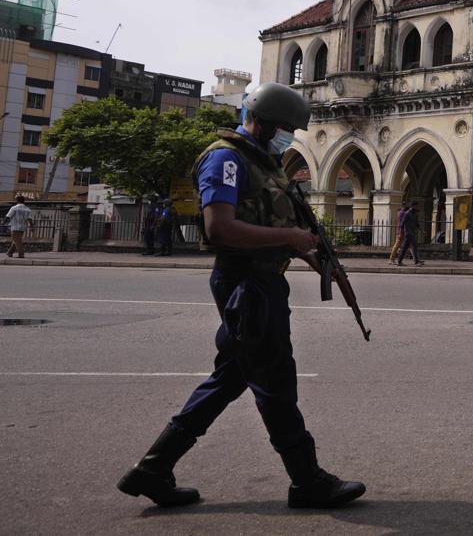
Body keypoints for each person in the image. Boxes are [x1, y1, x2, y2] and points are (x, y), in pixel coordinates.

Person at [117, 82, 365, 510]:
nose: (290, 135)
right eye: (286, 127)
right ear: (265, 122)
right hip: (246, 285)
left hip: (263, 282)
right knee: (276, 383)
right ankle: (307, 481)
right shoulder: (225, 159)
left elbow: (281, 233)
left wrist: (311, 255)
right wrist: (289, 235)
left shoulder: (266, 162)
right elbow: (219, 228)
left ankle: (153, 469)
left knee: (230, 377)